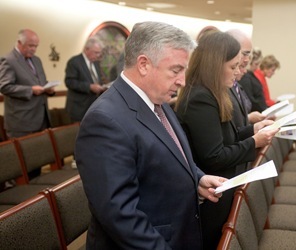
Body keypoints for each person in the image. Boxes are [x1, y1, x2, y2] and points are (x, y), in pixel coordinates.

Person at [75, 21, 226, 249]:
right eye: (175, 70)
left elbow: (167, 154)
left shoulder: (157, 99)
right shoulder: (105, 121)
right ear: (144, 64)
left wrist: (197, 179)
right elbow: (121, 215)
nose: (182, 81)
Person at [175, 31, 278, 249]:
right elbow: (214, 156)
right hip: (213, 193)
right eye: (233, 67)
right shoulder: (201, 97)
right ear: (215, 65)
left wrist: (253, 130)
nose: (238, 72)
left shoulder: (215, 92)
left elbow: (227, 136)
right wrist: (254, 141)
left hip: (225, 184)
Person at [0, 29, 55, 138]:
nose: (34, 49)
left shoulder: (37, 60)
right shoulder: (8, 60)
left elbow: (40, 82)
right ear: (19, 43)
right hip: (22, 123)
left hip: (42, 119)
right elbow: (4, 86)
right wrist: (30, 90)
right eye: (31, 45)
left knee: (43, 153)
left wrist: (49, 89)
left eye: (36, 46)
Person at [64, 37, 106, 122]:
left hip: (94, 108)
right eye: (96, 52)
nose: (98, 55)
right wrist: (89, 87)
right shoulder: (74, 62)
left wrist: (102, 87)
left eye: (99, 53)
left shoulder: (96, 63)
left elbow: (97, 80)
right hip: (79, 108)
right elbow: (69, 82)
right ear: (87, 49)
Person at [239, 47, 268, 113]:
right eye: (256, 64)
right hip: (255, 113)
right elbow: (250, 99)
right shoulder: (245, 78)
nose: (257, 67)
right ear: (250, 62)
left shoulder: (251, 75)